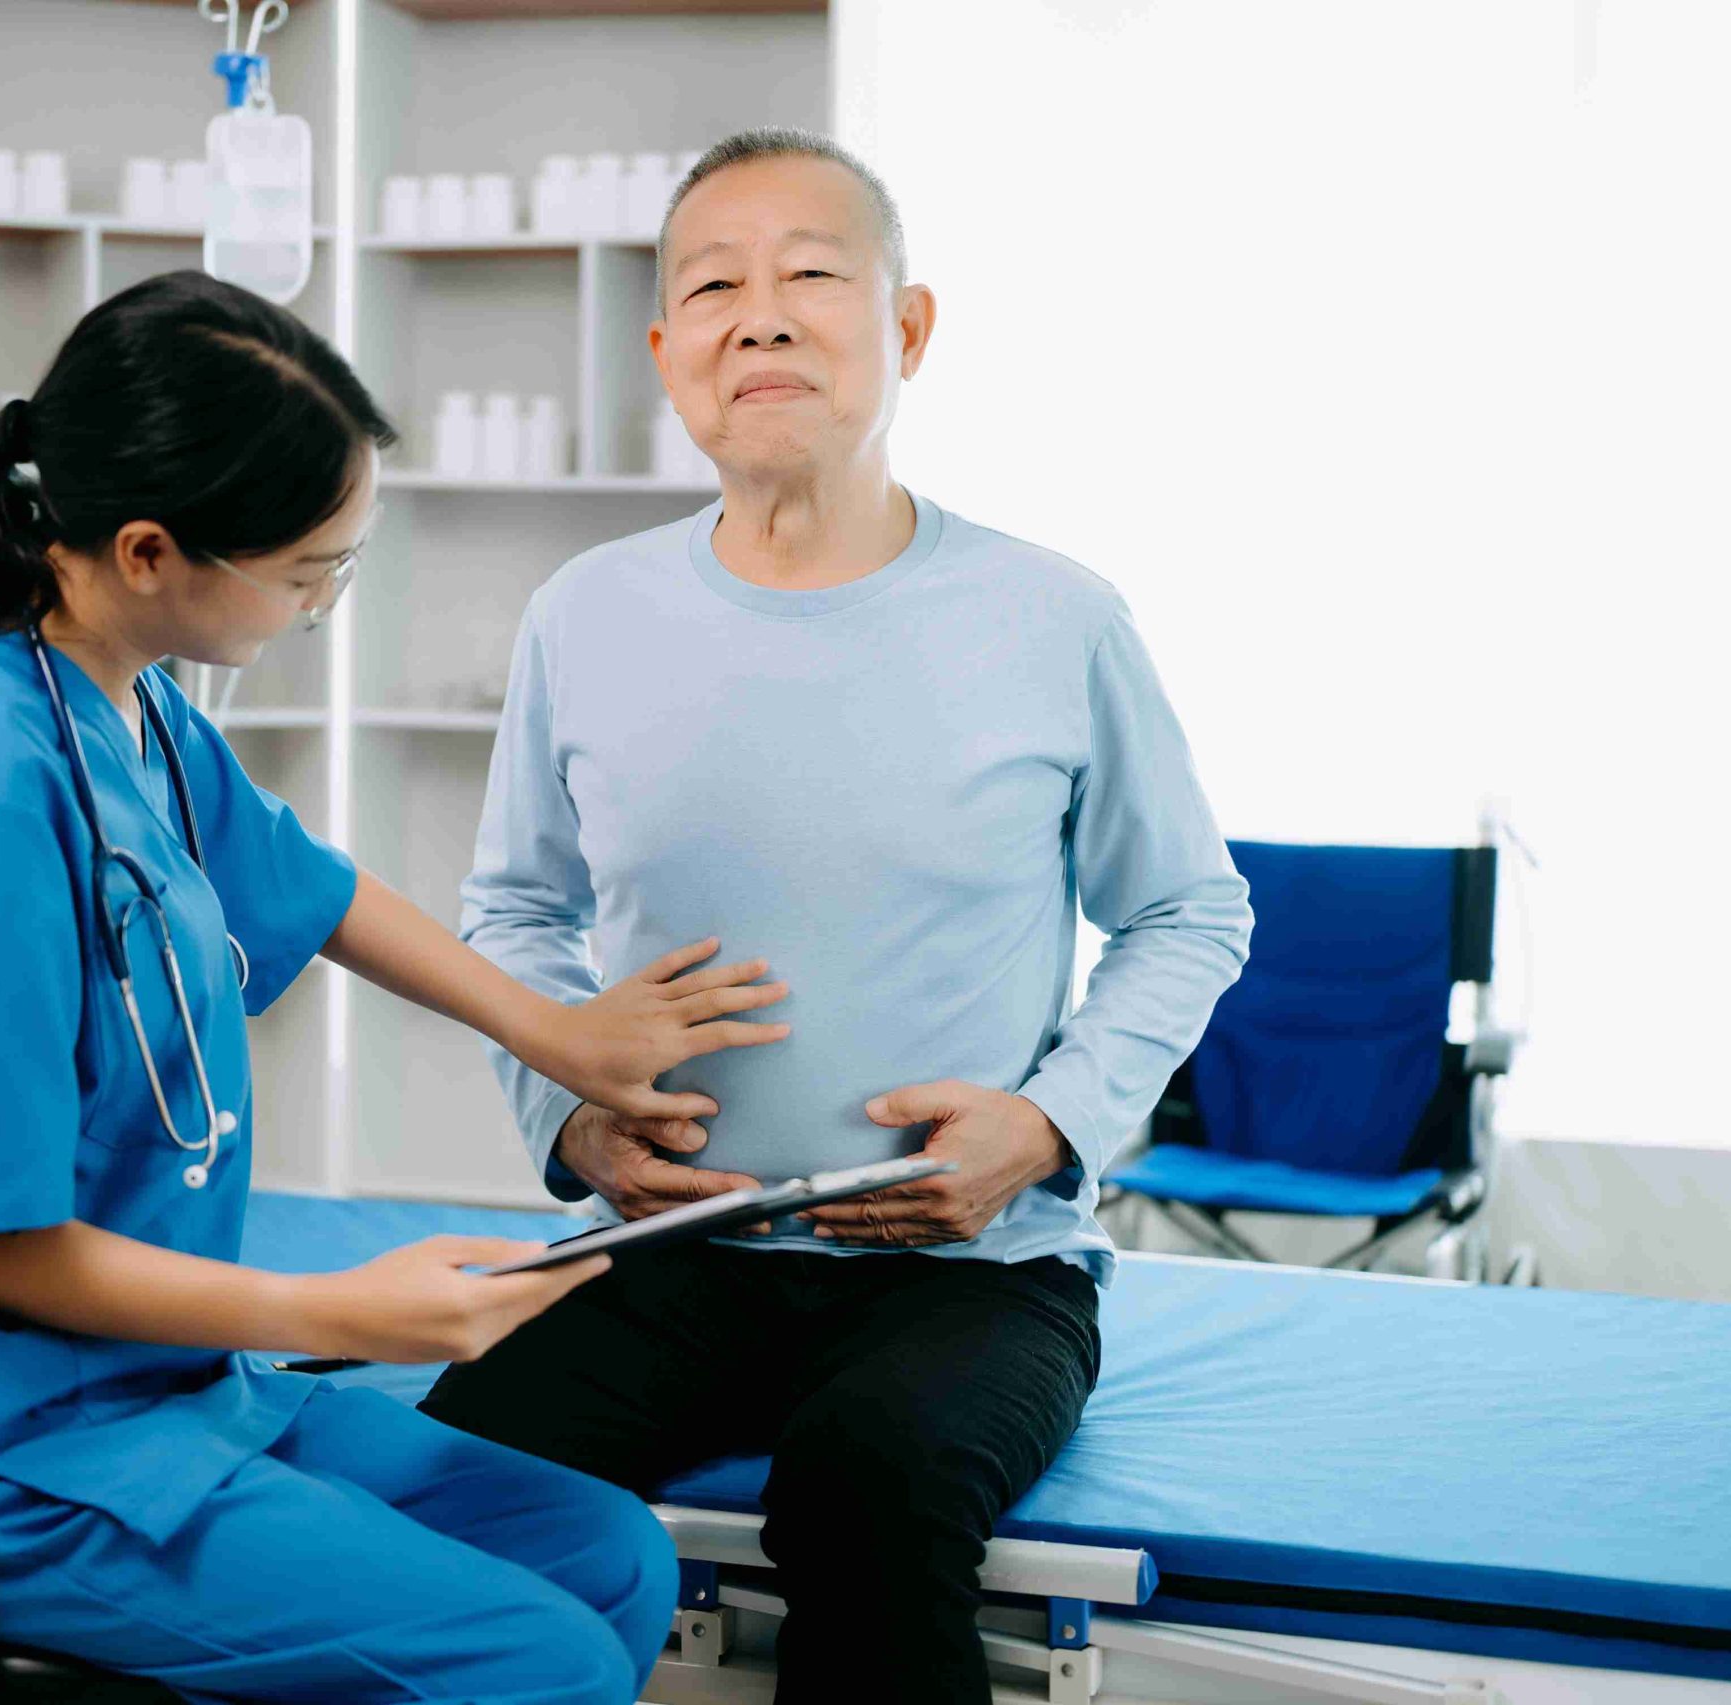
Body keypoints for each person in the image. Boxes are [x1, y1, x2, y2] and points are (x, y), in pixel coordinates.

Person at [0, 271, 794, 1703]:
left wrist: (558, 1034)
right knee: (535, 1655)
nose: (321, 603)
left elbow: (315, 890)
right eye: (310, 572)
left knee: (610, 1555)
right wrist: (341, 1315)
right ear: (146, 549)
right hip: (1, 1451)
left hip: (162, 1391)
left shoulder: (123, 700)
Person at [421, 131, 1255, 1702]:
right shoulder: (585, 614)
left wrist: (1048, 1124)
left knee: (869, 1490)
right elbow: (517, 907)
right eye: (713, 286)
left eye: (811, 274)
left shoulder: (1052, 615)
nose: (761, 316)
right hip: (668, 1242)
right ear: (666, 352)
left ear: (910, 328)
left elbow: (1189, 909)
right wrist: (567, 1118)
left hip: (976, 1270)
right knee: (449, 1488)